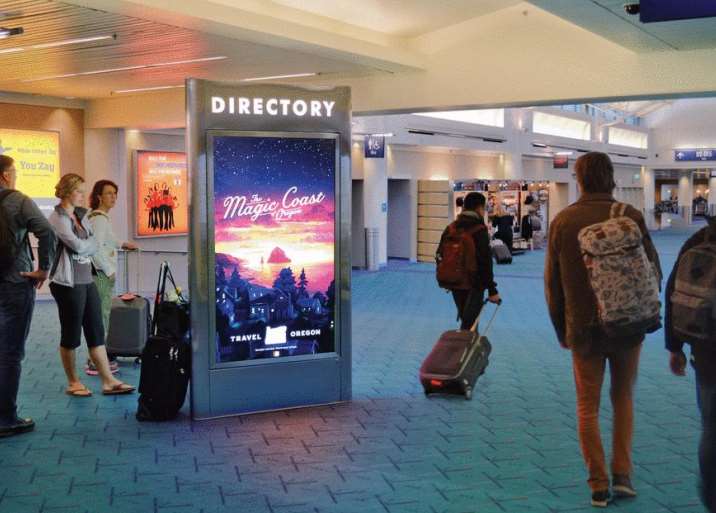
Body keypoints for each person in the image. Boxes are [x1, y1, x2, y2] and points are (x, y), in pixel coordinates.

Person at [544, 152, 661, 508]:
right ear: (611, 178)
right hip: (628, 326)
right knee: (623, 398)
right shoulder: (630, 216)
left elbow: (553, 284)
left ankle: (598, 484)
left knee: (587, 407)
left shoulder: (563, 221)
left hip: (583, 329)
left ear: (578, 179)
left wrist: (561, 329)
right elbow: (653, 270)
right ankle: (623, 475)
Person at [48, 173, 135, 397]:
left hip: (86, 280)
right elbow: (79, 245)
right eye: (79, 191)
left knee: (96, 331)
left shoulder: (81, 215)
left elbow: (92, 243)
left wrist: (88, 244)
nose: (83, 195)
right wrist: (89, 244)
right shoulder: (57, 218)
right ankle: (73, 382)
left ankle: (108, 380)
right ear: (67, 192)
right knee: (71, 335)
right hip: (67, 283)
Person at [0, 155, 57, 437]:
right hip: (15, 281)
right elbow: (46, 231)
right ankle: (6, 418)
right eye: (15, 172)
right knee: (10, 352)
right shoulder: (18, 200)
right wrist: (43, 269)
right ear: (5, 176)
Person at [664, 215, 716, 513]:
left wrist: (675, 347)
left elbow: (675, 290)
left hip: (707, 352)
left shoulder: (701, 238)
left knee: (711, 428)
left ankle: (712, 498)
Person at [85, 180, 138, 375]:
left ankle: (96, 357)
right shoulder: (99, 219)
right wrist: (109, 270)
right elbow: (95, 248)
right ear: (99, 196)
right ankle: (95, 362)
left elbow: (109, 240)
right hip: (101, 275)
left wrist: (123, 243)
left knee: (99, 316)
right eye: (108, 193)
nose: (113, 197)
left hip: (99, 274)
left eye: (115, 193)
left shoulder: (98, 217)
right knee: (101, 317)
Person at [438, 192, 500, 330]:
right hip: (474, 284)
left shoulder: (451, 227)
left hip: (454, 281)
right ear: (479, 208)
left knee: (466, 319)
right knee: (470, 325)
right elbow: (485, 262)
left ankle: (465, 347)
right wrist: (492, 290)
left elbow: (439, 254)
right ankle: (464, 349)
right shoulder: (479, 230)